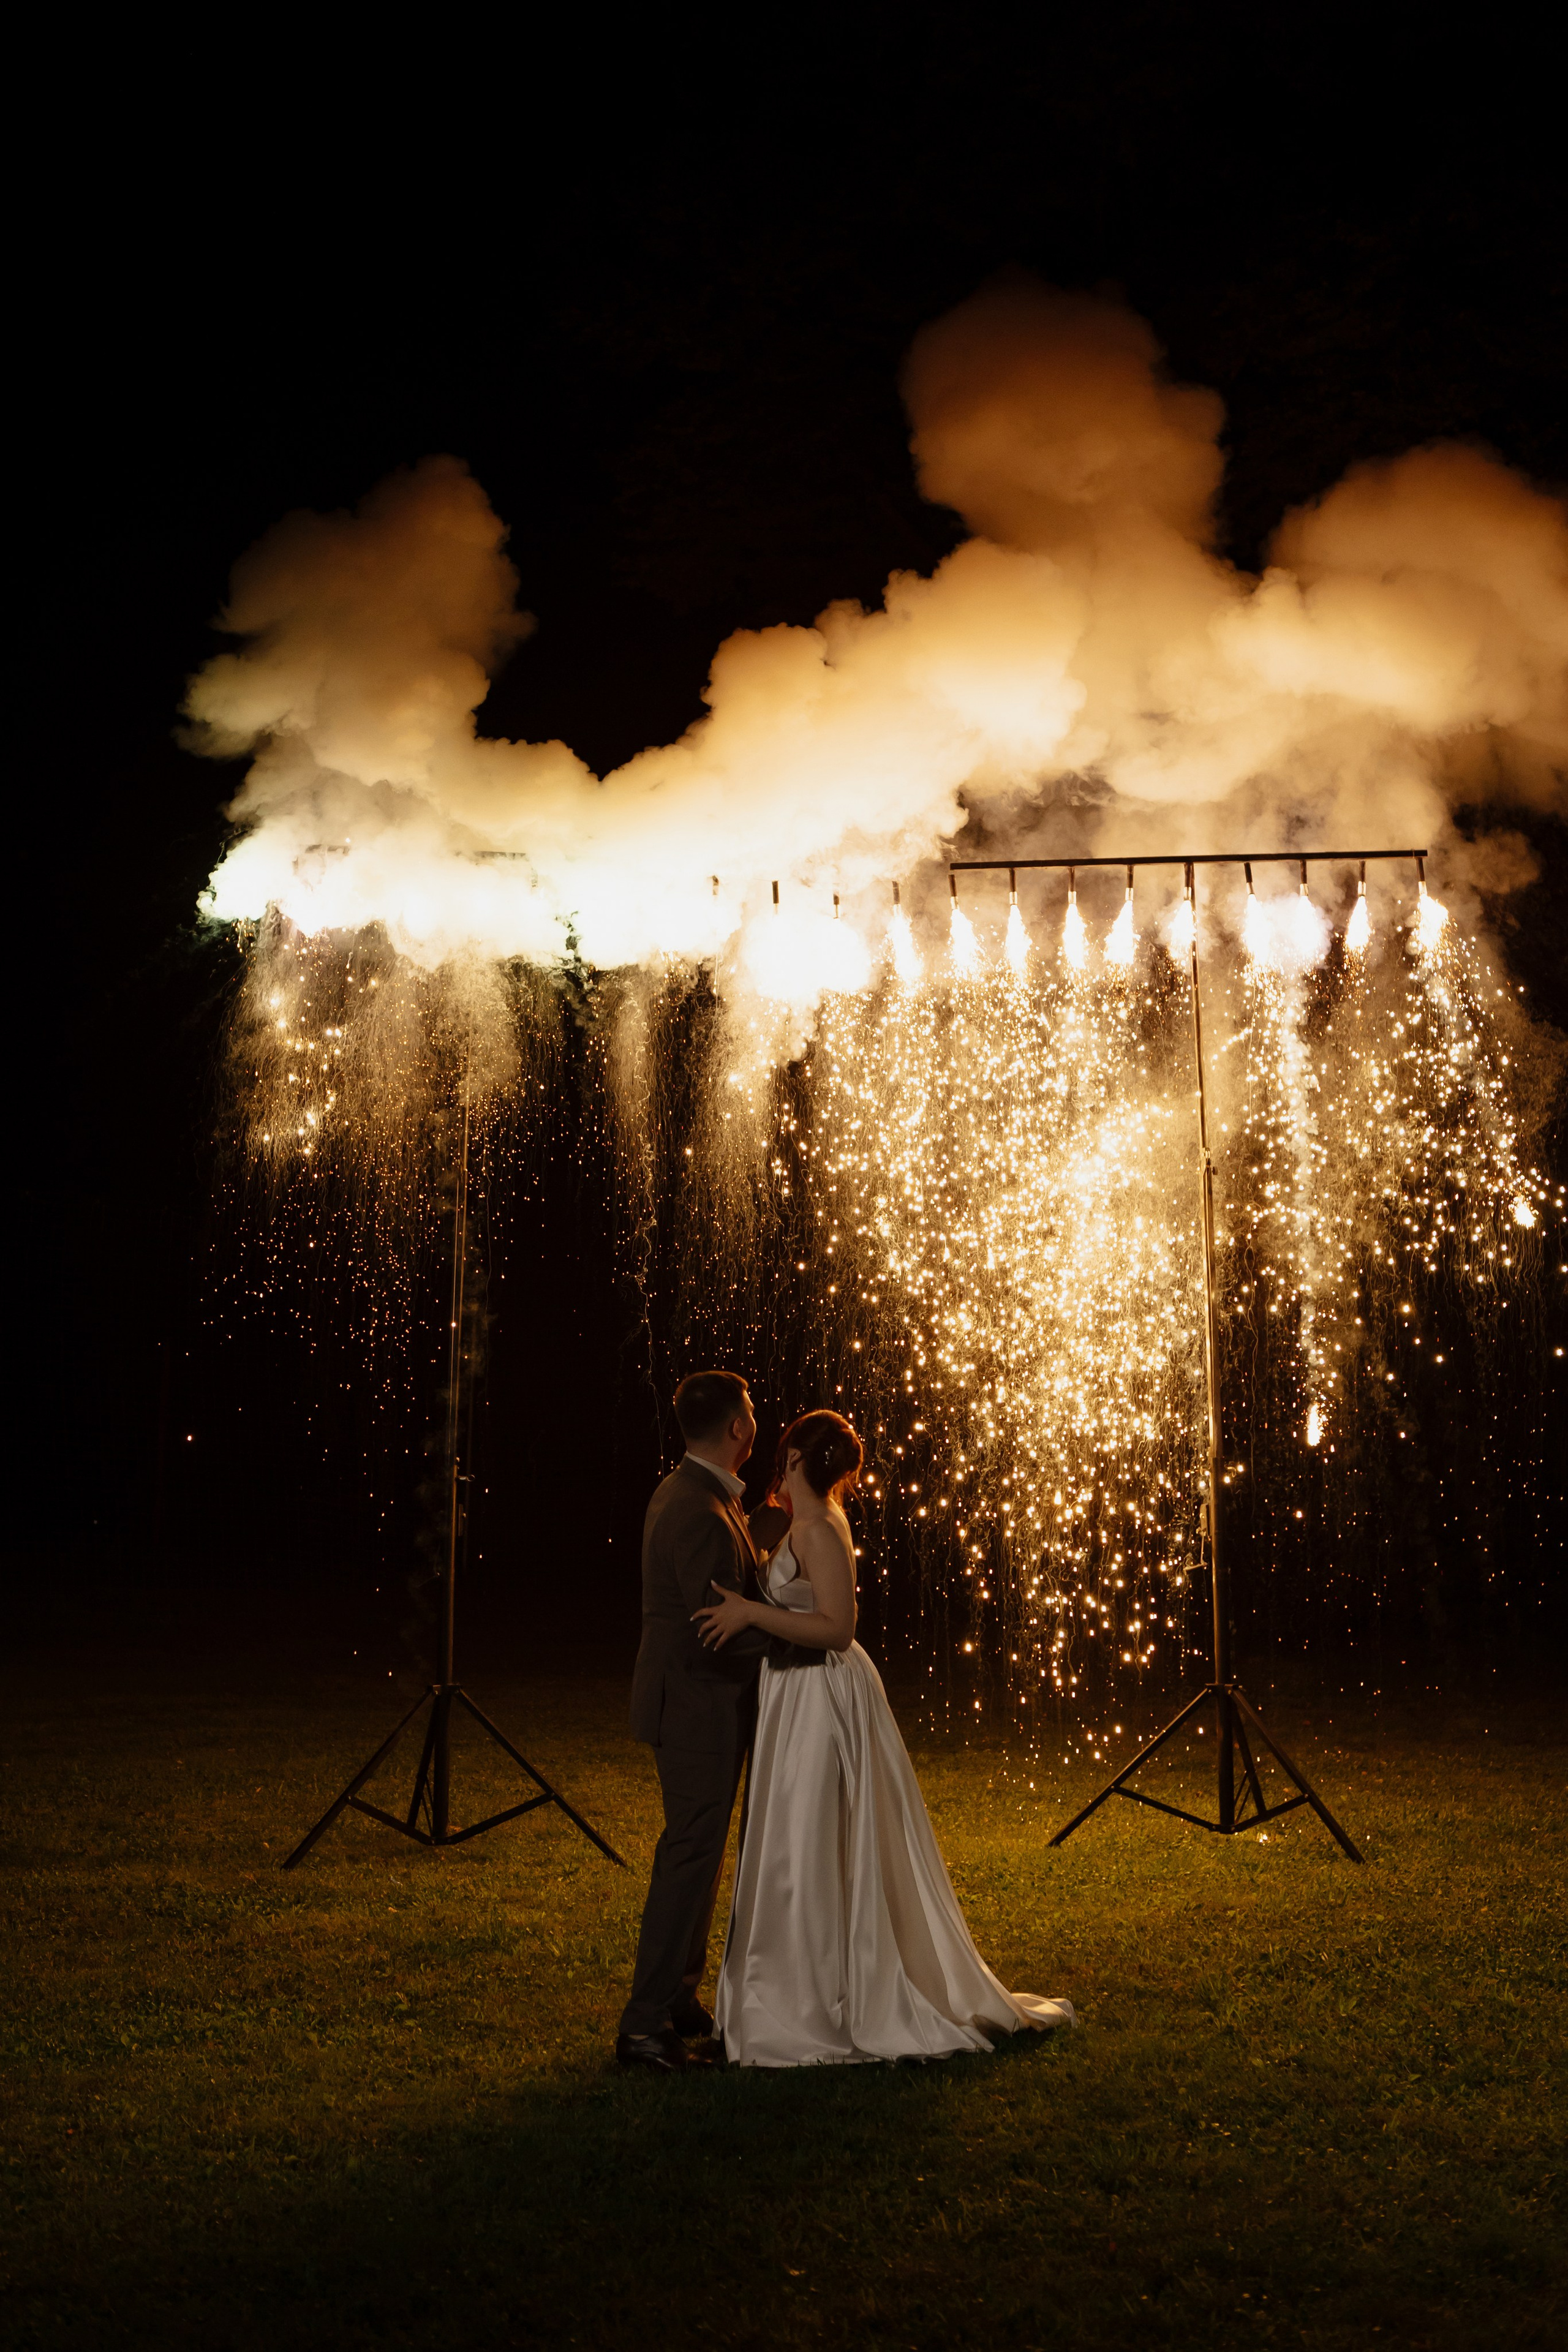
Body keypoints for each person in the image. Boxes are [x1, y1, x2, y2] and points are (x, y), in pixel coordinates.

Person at [695, 1409, 1074, 2067]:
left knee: (811, 1831)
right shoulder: (797, 1522)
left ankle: (820, 1995)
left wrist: (750, 1611)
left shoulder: (819, 1529)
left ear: (792, 1460)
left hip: (821, 1691)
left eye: (783, 1456)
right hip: (795, 1689)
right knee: (798, 1831)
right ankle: (799, 1980)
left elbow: (837, 1629)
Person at [616, 1370, 769, 2073]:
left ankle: (677, 1999)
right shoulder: (700, 1511)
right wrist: (817, 1634)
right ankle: (644, 2027)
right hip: (696, 1706)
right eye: (752, 1414)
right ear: (738, 1428)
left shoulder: (695, 1492)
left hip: (692, 1701)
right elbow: (724, 1630)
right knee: (688, 1859)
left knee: (699, 1858)